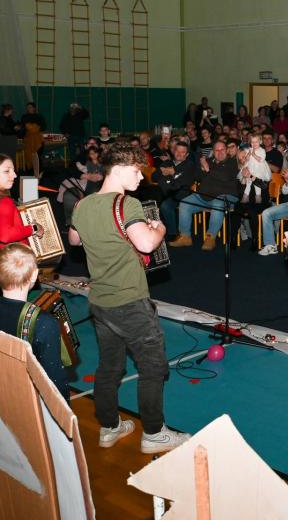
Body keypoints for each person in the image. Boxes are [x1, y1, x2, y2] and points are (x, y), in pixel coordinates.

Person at [69, 143, 189, 454]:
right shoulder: (127, 204)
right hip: (130, 302)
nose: (140, 177)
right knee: (153, 367)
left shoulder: (83, 204)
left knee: (110, 367)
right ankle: (154, 434)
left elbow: (74, 239)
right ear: (119, 170)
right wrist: (159, 228)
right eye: (136, 171)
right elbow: (147, 245)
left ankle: (109, 427)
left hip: (100, 301)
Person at [0, 244, 68, 399]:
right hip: (28, 397)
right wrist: (64, 409)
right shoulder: (43, 322)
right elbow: (54, 376)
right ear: (34, 275)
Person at [172, 140, 239, 251]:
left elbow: (225, 176)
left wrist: (207, 169)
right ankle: (185, 236)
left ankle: (210, 238)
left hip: (227, 197)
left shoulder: (232, 162)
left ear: (227, 150)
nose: (220, 152)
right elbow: (197, 177)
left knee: (218, 203)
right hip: (204, 196)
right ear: (213, 151)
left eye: (222, 149)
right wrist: (202, 169)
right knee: (184, 202)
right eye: (217, 150)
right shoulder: (208, 161)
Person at [151, 141, 196, 240]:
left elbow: (187, 182)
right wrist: (162, 172)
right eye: (177, 151)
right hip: (164, 192)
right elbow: (153, 177)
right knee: (150, 200)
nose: (179, 154)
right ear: (173, 151)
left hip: (181, 193)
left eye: (182, 152)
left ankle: (172, 233)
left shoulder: (189, 165)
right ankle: (152, 231)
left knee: (165, 206)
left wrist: (173, 173)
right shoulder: (167, 163)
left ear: (187, 154)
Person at [20, 102, 47, 179]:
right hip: (28, 140)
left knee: (37, 157)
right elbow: (22, 129)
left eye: (30, 107)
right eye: (28, 107)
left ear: (34, 108)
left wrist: (34, 128)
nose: (29, 109)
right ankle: (31, 175)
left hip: (38, 140)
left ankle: (39, 174)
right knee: (29, 158)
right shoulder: (24, 117)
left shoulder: (39, 117)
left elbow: (43, 127)